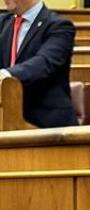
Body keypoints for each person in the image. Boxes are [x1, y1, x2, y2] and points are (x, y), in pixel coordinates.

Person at [0, 0, 76, 128]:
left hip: (48, 126)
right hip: (5, 119)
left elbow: (44, 62)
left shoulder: (59, 26)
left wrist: (6, 74)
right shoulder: (3, 23)